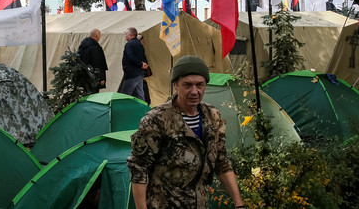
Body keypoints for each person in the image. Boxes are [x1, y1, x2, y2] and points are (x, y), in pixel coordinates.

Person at [127, 55, 245, 208]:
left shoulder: (213, 117)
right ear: (176, 85)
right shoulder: (156, 119)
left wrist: (239, 204)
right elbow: (139, 168)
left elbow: (221, 161)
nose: (194, 91)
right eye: (187, 85)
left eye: (199, 85)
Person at [119, 27, 148, 100]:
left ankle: (124, 110)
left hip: (132, 74)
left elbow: (130, 57)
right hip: (140, 73)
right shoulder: (139, 44)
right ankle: (143, 109)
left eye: (126, 34)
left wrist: (140, 64)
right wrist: (144, 64)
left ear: (129, 35)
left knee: (125, 95)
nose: (125, 35)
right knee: (140, 94)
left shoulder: (129, 44)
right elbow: (143, 56)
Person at [77, 28, 108, 93]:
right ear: (97, 36)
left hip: (84, 75)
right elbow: (99, 63)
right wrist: (102, 78)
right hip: (94, 77)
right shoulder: (95, 48)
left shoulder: (82, 46)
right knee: (93, 95)